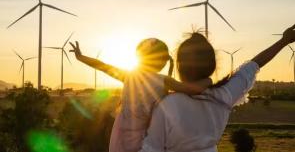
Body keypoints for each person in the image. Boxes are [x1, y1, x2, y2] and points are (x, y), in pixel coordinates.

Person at [140, 23, 295, 152]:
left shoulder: (167, 105)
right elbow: (255, 64)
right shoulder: (223, 95)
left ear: (180, 67)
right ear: (212, 65)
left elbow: (150, 148)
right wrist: (284, 41)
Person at [69, 38, 213, 152]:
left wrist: (80, 57)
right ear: (162, 61)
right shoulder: (163, 80)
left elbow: (101, 66)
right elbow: (191, 89)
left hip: (122, 132)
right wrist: (208, 80)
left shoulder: (129, 75)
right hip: (146, 136)